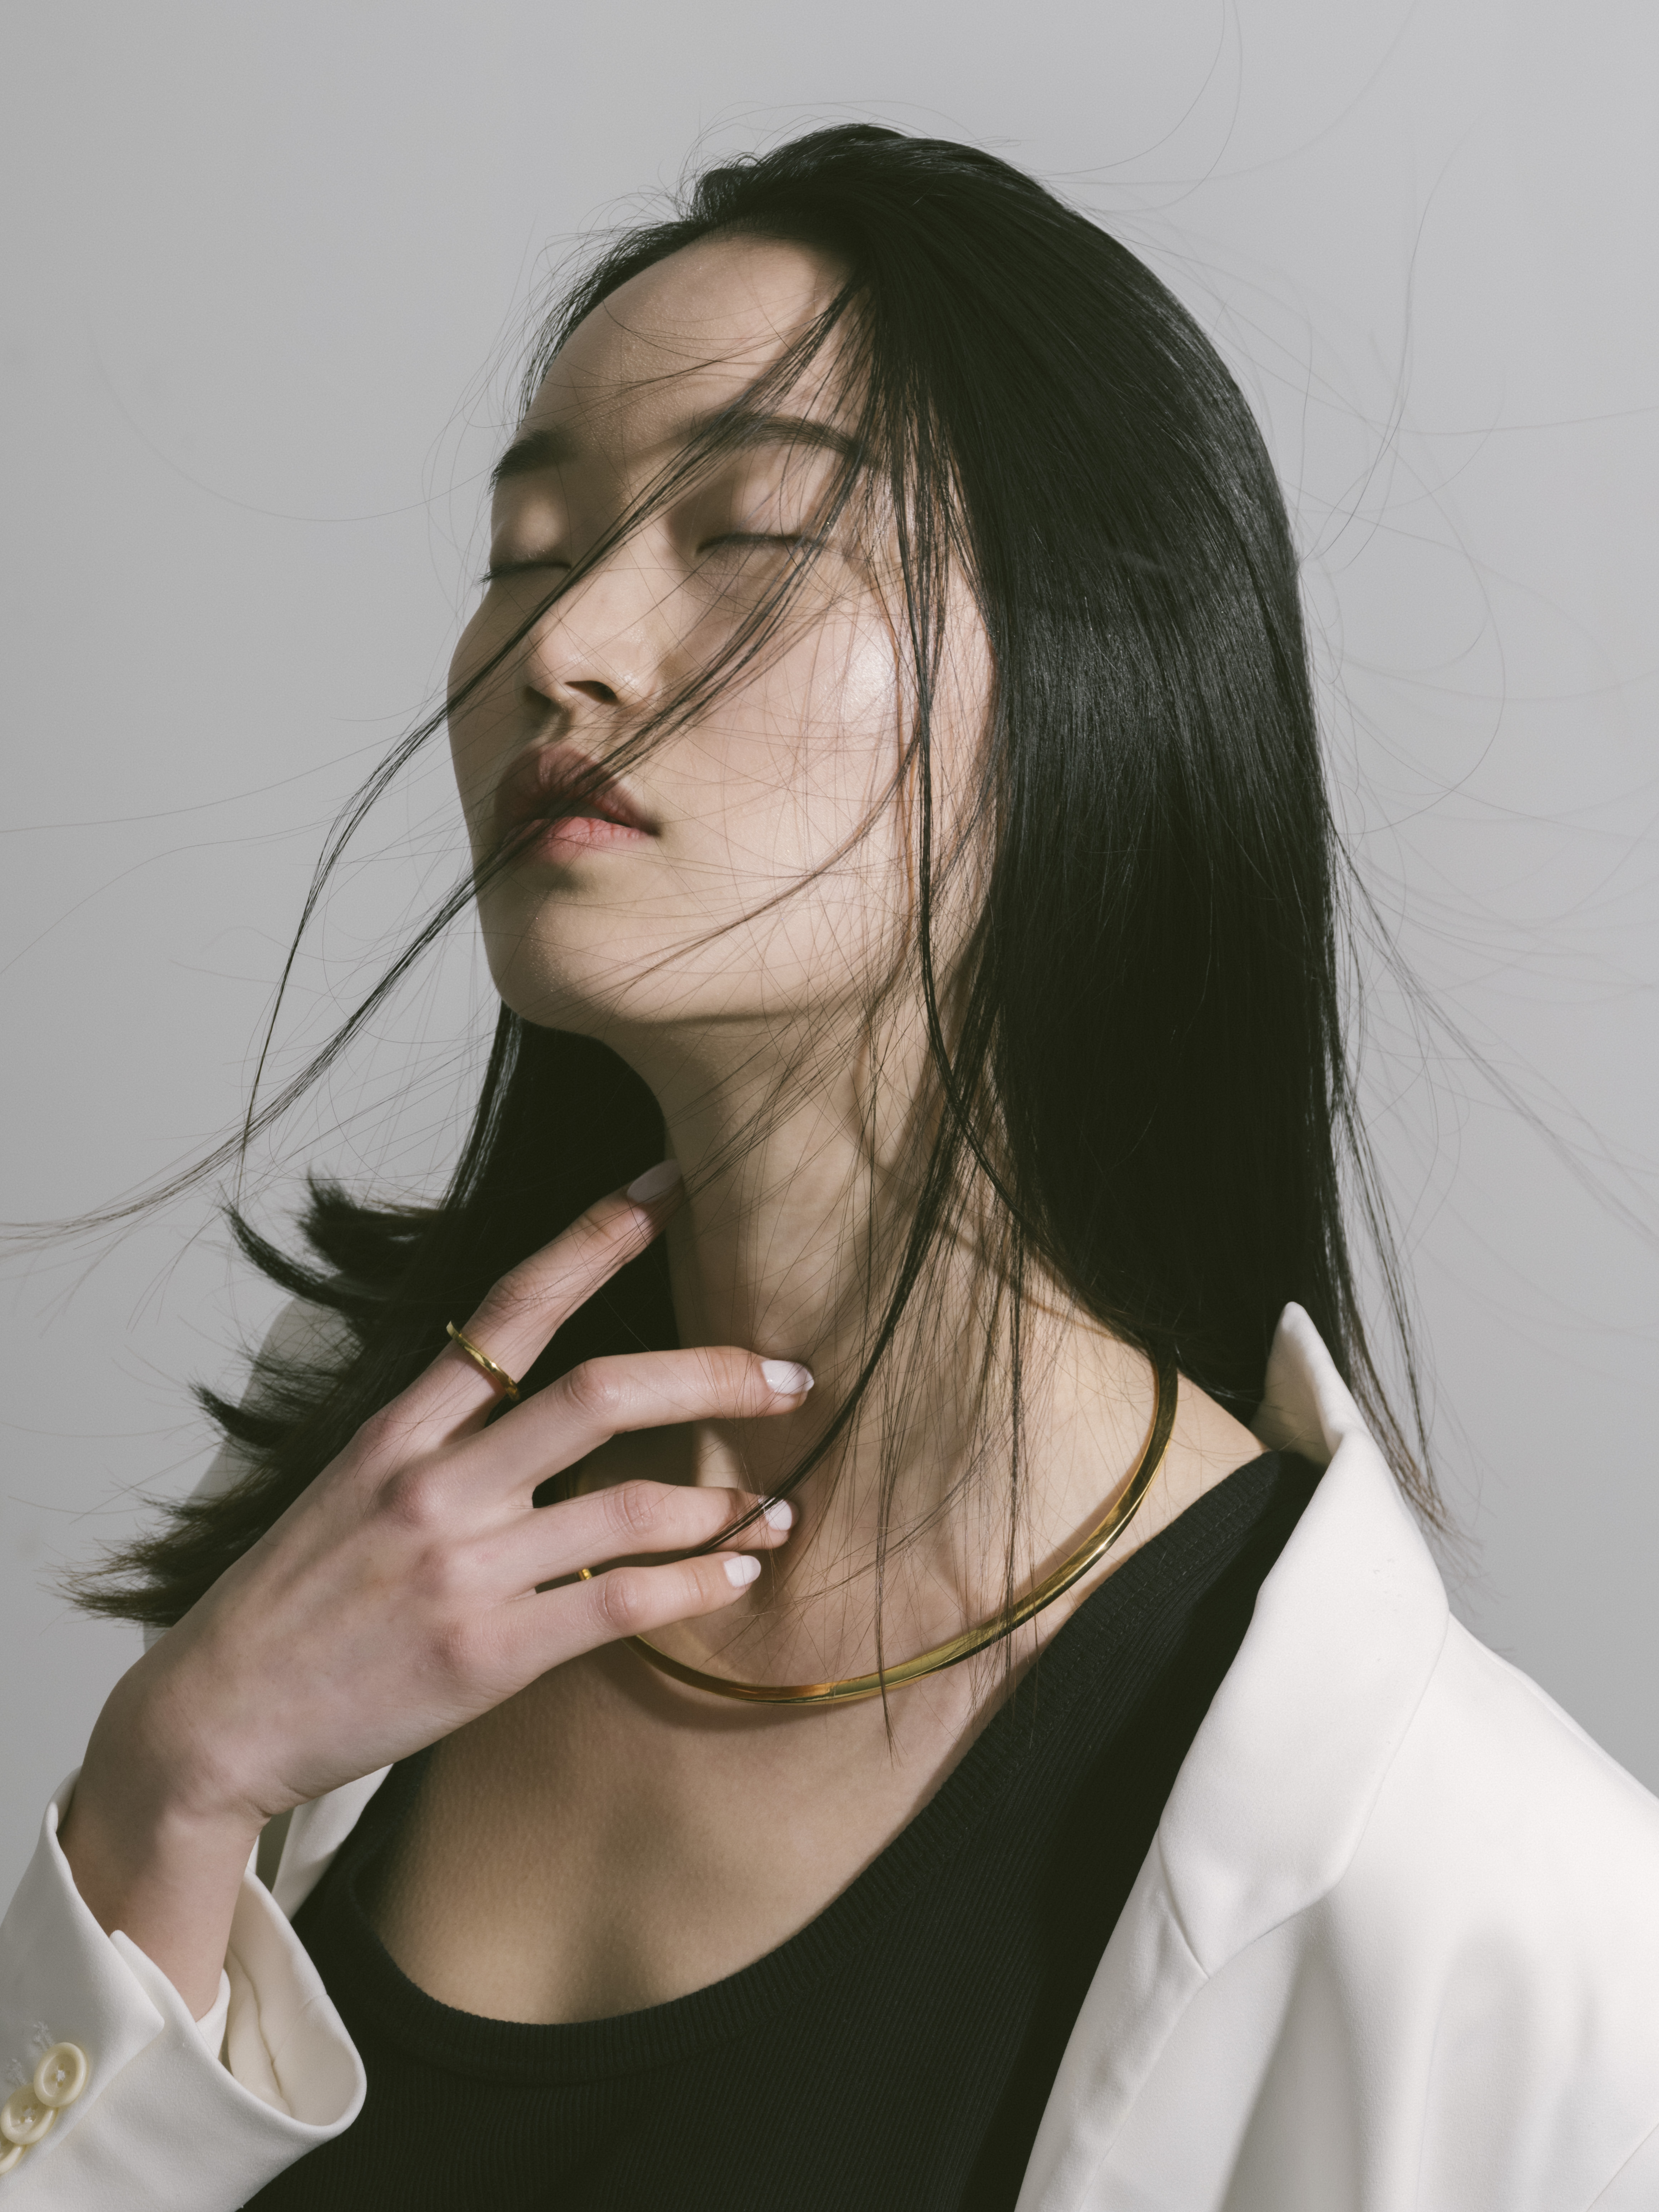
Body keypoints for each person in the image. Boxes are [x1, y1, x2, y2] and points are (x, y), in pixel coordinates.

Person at [1, 124, 1655, 2211]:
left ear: (1093, 669)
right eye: (527, 547)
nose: (566, 646)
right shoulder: (376, 1571)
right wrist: (169, 1791)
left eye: (752, 534)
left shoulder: (1516, 1927)